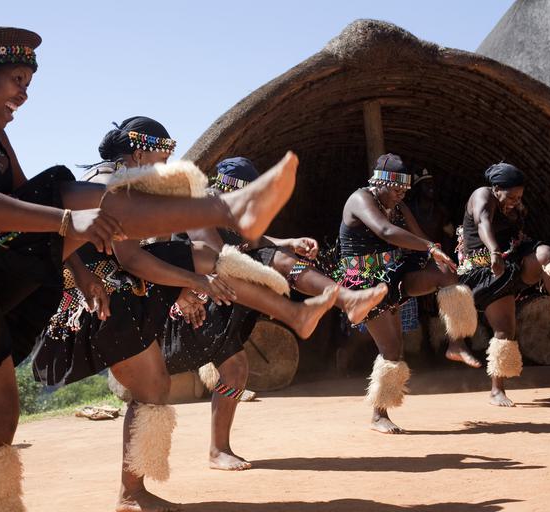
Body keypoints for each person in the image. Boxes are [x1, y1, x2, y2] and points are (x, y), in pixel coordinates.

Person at [0, 25, 298, 512]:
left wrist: (77, 268)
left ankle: (227, 210)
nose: (23, 93)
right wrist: (67, 223)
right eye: (16, 79)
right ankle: (226, 211)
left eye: (28, 82)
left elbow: (27, 202)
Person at [34, 118, 338, 512]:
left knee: (161, 385)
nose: (166, 164)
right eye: (163, 155)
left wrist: (189, 283)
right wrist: (196, 284)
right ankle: (138, 491)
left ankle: (136, 491)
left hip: (132, 294)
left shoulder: (116, 183)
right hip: (108, 304)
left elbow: (154, 254)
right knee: (171, 381)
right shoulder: (112, 186)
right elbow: (133, 258)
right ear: (140, 152)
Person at [160, 156, 388, 472]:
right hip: (192, 310)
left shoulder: (227, 211)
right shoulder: (198, 205)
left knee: (236, 369)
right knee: (272, 258)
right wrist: (266, 254)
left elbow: (253, 241)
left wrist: (289, 242)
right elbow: (219, 257)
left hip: (223, 300)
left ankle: (218, 450)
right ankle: (338, 302)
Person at [331, 154, 477, 434]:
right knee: (391, 349)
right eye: (395, 189)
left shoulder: (398, 205)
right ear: (380, 182)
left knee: (448, 276)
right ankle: (379, 415)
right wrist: (429, 247)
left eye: (404, 190)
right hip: (365, 283)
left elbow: (420, 237)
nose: (400, 195)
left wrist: (437, 254)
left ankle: (455, 343)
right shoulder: (361, 199)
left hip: (394, 273)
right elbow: (385, 231)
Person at [457, 162, 550, 407]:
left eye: (519, 196)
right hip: (486, 271)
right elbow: (483, 223)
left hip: (513, 261)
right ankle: (497, 390)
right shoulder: (481, 196)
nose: (516, 200)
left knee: (546, 253)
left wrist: (514, 214)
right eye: (512, 195)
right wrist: (494, 251)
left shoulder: (514, 206)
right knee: (505, 331)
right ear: (496, 188)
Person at [406, 169, 477, 365]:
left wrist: (445, 261)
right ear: (417, 189)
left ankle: (453, 343)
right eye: (427, 185)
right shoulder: (409, 210)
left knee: (445, 299)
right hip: (413, 261)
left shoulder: (441, 212)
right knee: (420, 311)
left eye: (433, 185)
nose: (432, 189)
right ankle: (424, 350)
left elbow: (448, 238)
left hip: (437, 261)